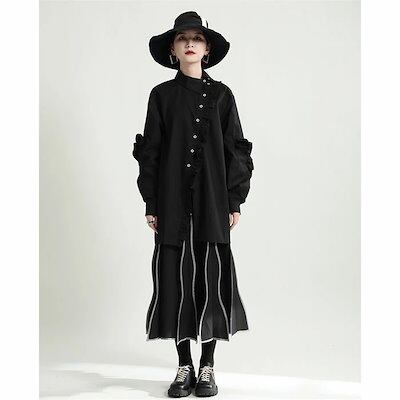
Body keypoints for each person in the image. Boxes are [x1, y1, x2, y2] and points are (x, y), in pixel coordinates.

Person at [132, 11, 254, 398]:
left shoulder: (222, 96)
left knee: (211, 281)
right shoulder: (161, 96)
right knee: (176, 281)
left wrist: (234, 199)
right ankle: (184, 365)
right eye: (182, 38)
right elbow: (151, 152)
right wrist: (152, 201)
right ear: (173, 49)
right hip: (171, 201)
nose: (190, 43)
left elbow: (236, 148)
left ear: (206, 49)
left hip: (212, 201)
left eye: (197, 38)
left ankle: (208, 367)